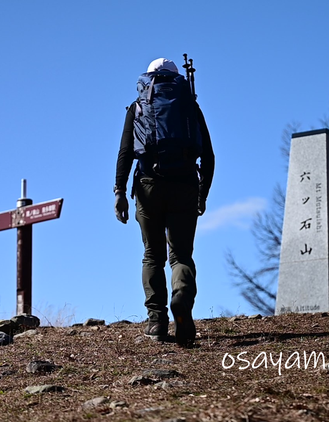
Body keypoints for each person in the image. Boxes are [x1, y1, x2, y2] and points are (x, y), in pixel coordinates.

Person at [114, 57, 215, 347]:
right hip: (184, 184)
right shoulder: (190, 106)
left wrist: (119, 191)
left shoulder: (137, 107)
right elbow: (208, 156)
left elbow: (125, 153)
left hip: (148, 186)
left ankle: (156, 321)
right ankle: (181, 300)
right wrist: (202, 193)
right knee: (180, 255)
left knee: (152, 255)